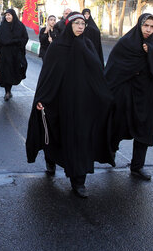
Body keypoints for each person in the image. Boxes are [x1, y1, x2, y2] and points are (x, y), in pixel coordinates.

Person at [26, 13, 114, 198]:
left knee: (80, 140)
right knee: (55, 134)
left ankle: (78, 181)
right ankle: (50, 159)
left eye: (83, 23)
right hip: (60, 102)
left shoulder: (88, 45)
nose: (81, 27)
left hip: (83, 104)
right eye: (77, 23)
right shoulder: (58, 47)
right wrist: (42, 98)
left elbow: (97, 71)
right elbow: (48, 75)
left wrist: (104, 96)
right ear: (69, 25)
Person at [105, 13, 153, 181]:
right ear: (139, 25)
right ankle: (110, 152)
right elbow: (113, 69)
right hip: (126, 96)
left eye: (152, 26)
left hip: (147, 97)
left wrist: (151, 53)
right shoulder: (126, 43)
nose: (148, 29)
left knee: (145, 130)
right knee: (119, 126)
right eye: (145, 25)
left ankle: (137, 167)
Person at [0, 9, 28, 101]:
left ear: (13, 15)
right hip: (5, 55)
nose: (7, 17)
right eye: (6, 15)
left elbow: (25, 38)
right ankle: (7, 91)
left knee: (13, 72)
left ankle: (9, 90)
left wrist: (16, 43)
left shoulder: (20, 26)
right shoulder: (3, 26)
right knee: (5, 73)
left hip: (16, 55)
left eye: (9, 15)